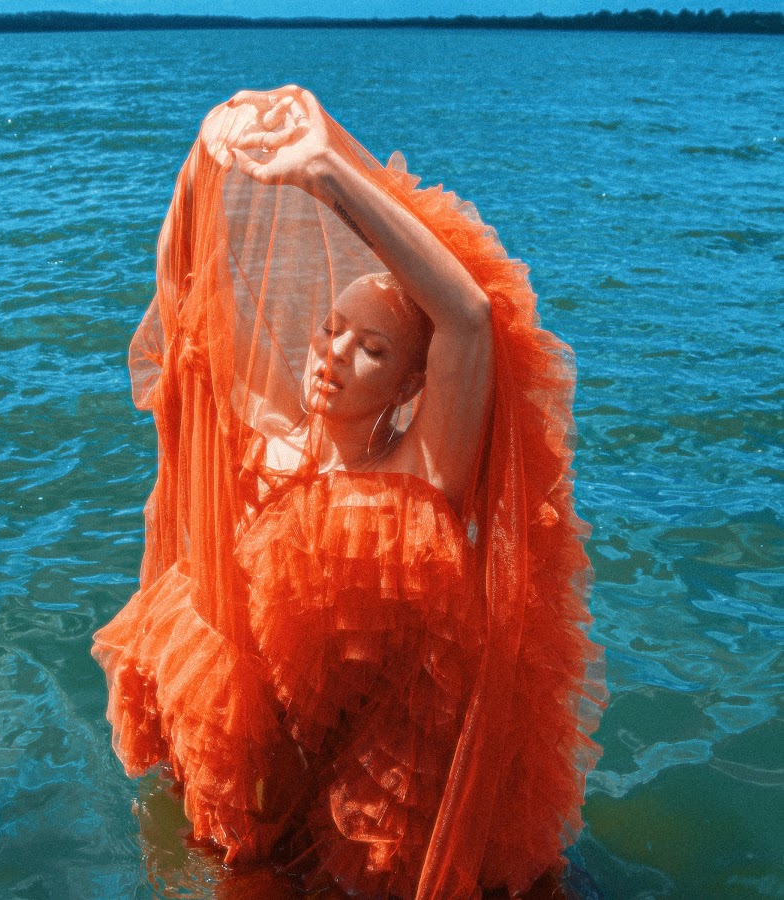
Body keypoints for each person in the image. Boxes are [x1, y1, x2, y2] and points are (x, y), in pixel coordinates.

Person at [92, 86, 606, 900]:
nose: (333, 354)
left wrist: (325, 174)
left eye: (372, 349)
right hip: (275, 781)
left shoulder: (424, 469)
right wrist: (202, 164)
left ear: (410, 385)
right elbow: (188, 298)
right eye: (330, 329)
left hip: (385, 808)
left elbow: (468, 314)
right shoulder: (264, 451)